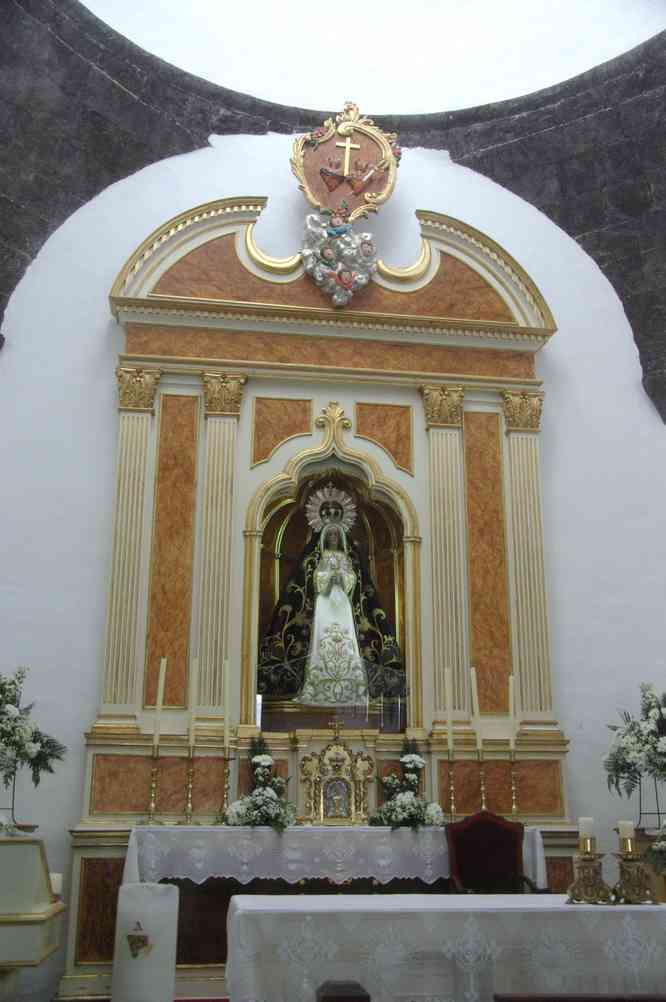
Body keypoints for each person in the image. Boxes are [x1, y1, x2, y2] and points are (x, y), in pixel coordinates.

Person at [299, 523, 368, 706]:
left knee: (345, 637)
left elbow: (352, 576)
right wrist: (329, 579)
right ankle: (318, 685)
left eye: (336, 535)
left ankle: (351, 686)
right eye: (330, 535)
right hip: (326, 600)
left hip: (341, 601)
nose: (333, 538)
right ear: (325, 538)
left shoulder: (344, 557)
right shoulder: (323, 556)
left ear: (341, 538)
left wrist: (343, 578)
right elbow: (317, 577)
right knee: (324, 636)